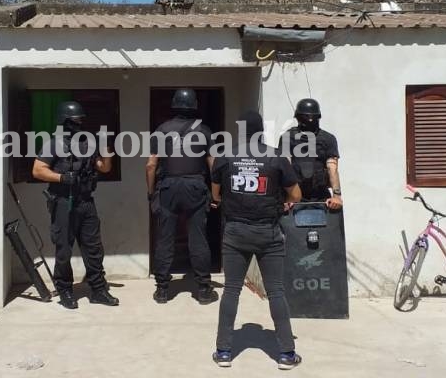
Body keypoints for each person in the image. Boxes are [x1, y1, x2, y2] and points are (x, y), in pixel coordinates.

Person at [210, 110, 302, 370]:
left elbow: (215, 195)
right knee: (276, 292)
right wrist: (283, 203)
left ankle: (224, 351)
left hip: (235, 233)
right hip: (268, 234)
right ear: (262, 131)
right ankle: (286, 354)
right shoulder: (276, 157)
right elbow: (296, 194)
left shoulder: (224, 156)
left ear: (241, 132)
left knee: (231, 290)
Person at [32, 101, 119, 309]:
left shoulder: (86, 143)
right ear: (65, 121)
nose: (80, 123)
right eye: (76, 120)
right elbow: (38, 170)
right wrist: (62, 178)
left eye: (81, 119)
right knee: (64, 251)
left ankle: (98, 289)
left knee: (94, 248)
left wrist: (106, 147)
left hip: (86, 202)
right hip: (64, 203)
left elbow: (103, 167)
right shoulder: (54, 143)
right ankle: (65, 290)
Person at [146, 88, 216, 304]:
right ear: (194, 105)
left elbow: (151, 165)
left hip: (168, 186)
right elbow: (212, 163)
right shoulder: (204, 131)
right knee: (198, 238)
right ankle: (203, 289)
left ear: (174, 105)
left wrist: (151, 193)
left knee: (165, 238)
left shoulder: (162, 130)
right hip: (195, 185)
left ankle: (162, 290)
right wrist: (215, 195)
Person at [278, 98, 342, 209]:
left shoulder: (287, 137)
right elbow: (332, 167)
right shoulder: (328, 138)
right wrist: (337, 196)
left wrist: (289, 198)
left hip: (301, 197)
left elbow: (285, 168)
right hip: (310, 197)